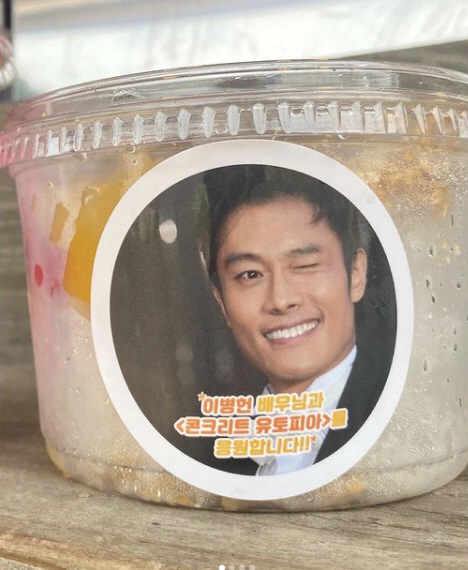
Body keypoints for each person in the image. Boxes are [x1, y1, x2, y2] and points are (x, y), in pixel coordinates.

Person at [204, 165, 395, 475]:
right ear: (221, 301)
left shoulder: (404, 418)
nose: (280, 300)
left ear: (356, 273)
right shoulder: (228, 457)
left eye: (305, 265)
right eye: (250, 274)